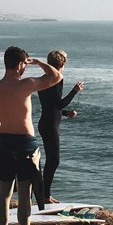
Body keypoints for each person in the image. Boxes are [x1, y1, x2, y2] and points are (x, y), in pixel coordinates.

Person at [0, 46, 62, 225]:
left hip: (5, 142)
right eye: (25, 65)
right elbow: (55, 76)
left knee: (4, 193)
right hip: (26, 144)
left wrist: (5, 135)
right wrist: (38, 62)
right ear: (21, 64)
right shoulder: (26, 85)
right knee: (25, 194)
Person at [36, 49, 84, 204]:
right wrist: (74, 91)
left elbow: (51, 106)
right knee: (53, 161)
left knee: (51, 161)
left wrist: (65, 113)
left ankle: (44, 194)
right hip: (49, 125)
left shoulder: (44, 79)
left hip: (47, 122)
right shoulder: (57, 79)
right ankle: (44, 196)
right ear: (62, 63)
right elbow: (58, 103)